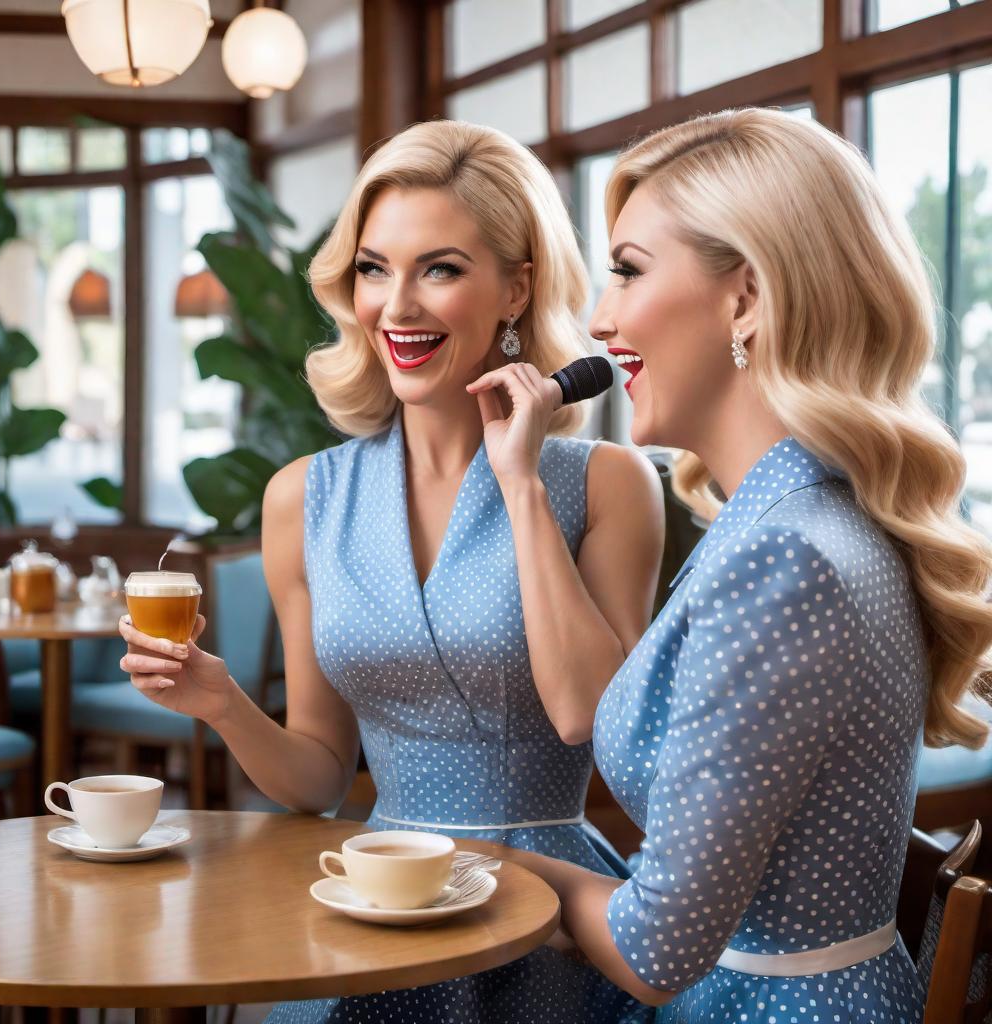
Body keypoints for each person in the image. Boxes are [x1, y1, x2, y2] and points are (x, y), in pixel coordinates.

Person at [119, 119, 664, 1022]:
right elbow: (319, 776)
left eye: (439, 268)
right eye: (374, 269)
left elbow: (597, 721)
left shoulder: (606, 484)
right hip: (375, 902)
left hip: (547, 912)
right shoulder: (303, 497)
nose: (396, 307)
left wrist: (520, 482)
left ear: (516, 287)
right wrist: (218, 701)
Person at [484, 107, 992, 1024]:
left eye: (629, 271)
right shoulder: (813, 515)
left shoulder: (785, 558)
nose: (600, 319)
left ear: (748, 298)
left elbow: (653, 950)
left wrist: (489, 863)